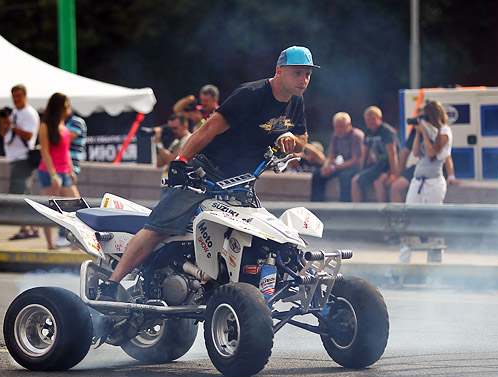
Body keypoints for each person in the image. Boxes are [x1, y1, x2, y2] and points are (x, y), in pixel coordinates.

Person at [100, 45, 316, 299]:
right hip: (207, 172)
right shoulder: (251, 94)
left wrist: (291, 138)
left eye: (308, 74)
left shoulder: (296, 102)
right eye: (298, 73)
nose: (304, 80)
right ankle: (112, 285)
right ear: (280, 70)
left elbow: (302, 139)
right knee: (158, 227)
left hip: (242, 182)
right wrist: (181, 161)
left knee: (260, 238)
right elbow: (208, 128)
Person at [398, 99, 458, 263]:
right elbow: (417, 153)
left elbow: (432, 153)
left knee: (433, 222)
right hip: (418, 180)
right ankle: (403, 262)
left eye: (425, 116)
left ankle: (435, 262)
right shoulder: (425, 130)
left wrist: (424, 131)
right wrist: (418, 131)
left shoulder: (445, 131)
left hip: (434, 182)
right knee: (408, 219)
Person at [37, 92, 81, 250]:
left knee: (76, 207)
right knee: (49, 208)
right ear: (61, 107)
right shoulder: (45, 125)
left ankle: (75, 244)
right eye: (67, 105)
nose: (70, 108)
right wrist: (53, 174)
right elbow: (45, 152)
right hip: (50, 171)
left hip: (64, 170)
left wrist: (71, 170)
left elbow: (66, 150)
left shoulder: (63, 123)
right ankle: (50, 244)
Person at [0, 84, 41, 241]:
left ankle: (25, 228)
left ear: (25, 96)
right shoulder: (15, 112)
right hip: (15, 157)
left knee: (19, 194)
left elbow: (29, 135)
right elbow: (4, 134)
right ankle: (32, 227)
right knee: (25, 194)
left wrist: (12, 125)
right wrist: (2, 122)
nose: (16, 100)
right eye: (14, 96)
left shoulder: (29, 113)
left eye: (18, 96)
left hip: (23, 158)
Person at [351, 106, 400, 202]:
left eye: (373, 119)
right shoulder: (368, 132)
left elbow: (392, 154)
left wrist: (393, 175)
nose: (371, 122)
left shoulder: (386, 131)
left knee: (379, 182)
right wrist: (361, 170)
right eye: (368, 120)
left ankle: (381, 213)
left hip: (389, 165)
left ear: (380, 119)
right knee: (355, 180)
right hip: (378, 165)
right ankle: (357, 212)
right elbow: (365, 153)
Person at [313, 112, 363, 202]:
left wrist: (333, 168)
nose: (338, 130)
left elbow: (356, 160)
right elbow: (331, 155)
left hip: (358, 166)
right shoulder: (335, 136)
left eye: (341, 126)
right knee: (317, 175)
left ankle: (345, 207)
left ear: (349, 125)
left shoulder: (356, 136)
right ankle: (316, 205)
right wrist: (326, 167)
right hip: (344, 165)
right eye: (336, 127)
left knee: (345, 177)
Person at [55, 112, 88, 248]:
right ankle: (65, 235)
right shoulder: (63, 124)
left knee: (72, 203)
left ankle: (73, 236)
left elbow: (63, 141)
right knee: (62, 202)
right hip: (60, 166)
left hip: (70, 167)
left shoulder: (77, 122)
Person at [155, 114, 191, 192]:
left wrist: (159, 144)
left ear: (185, 126)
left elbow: (172, 161)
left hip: (177, 186)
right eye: (170, 128)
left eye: (175, 128)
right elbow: (159, 164)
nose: (173, 131)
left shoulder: (189, 140)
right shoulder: (175, 141)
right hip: (166, 184)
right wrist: (160, 141)